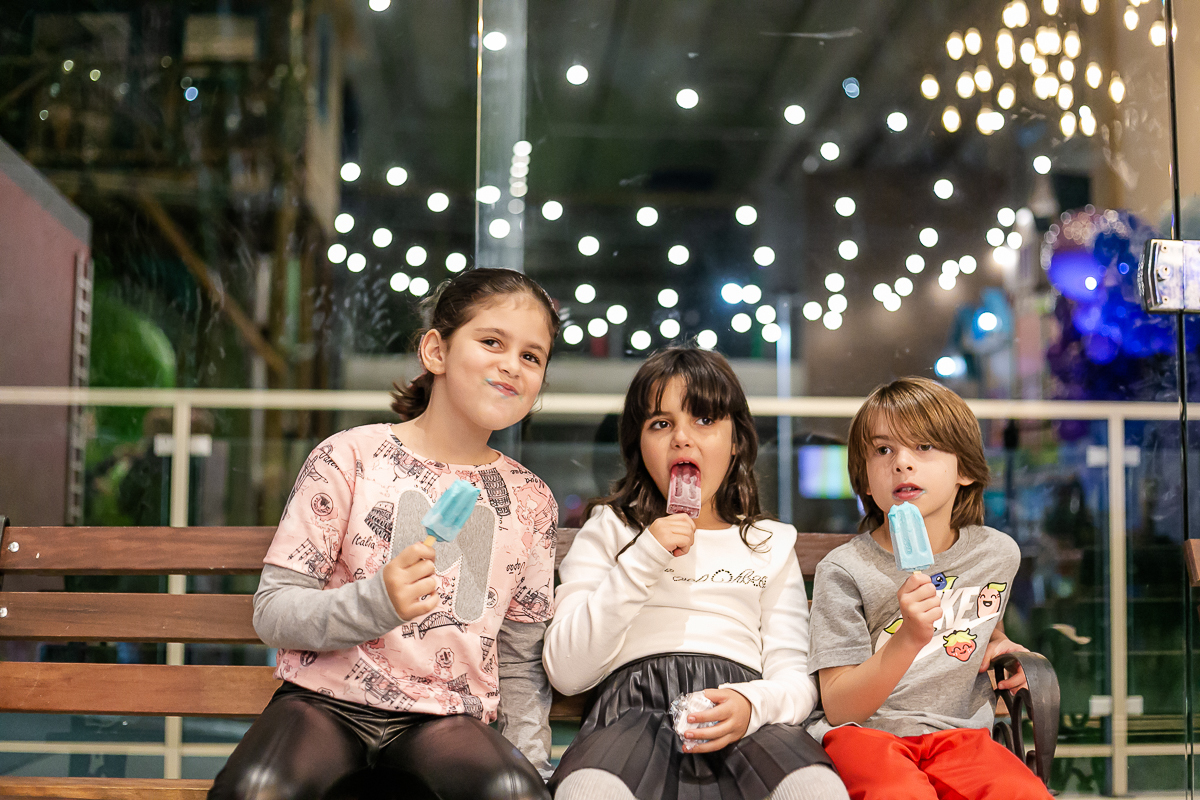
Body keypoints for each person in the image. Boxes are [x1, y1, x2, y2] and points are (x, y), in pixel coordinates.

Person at [210, 269, 561, 800]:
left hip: (449, 716)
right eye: (492, 342)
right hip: (322, 702)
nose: (512, 364)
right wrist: (376, 601)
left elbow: (517, 662)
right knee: (259, 791)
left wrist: (530, 768)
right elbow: (274, 611)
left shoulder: (532, 501)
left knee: (511, 792)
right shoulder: (349, 457)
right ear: (436, 352)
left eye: (532, 356)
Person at [544, 347, 848, 800]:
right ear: (638, 446)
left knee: (815, 789)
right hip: (631, 713)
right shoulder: (610, 528)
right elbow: (568, 671)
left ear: (737, 439)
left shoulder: (769, 542)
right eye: (660, 424)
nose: (682, 438)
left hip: (745, 712)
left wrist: (752, 704)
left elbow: (795, 677)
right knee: (588, 790)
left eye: (704, 420)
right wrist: (646, 552)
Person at [806, 376, 1050, 800]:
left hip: (962, 737)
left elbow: (980, 624)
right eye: (883, 450)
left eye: (923, 446)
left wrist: (1006, 648)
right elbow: (840, 706)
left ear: (967, 469)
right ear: (864, 480)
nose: (902, 462)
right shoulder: (844, 570)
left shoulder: (996, 554)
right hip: (866, 736)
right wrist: (908, 639)